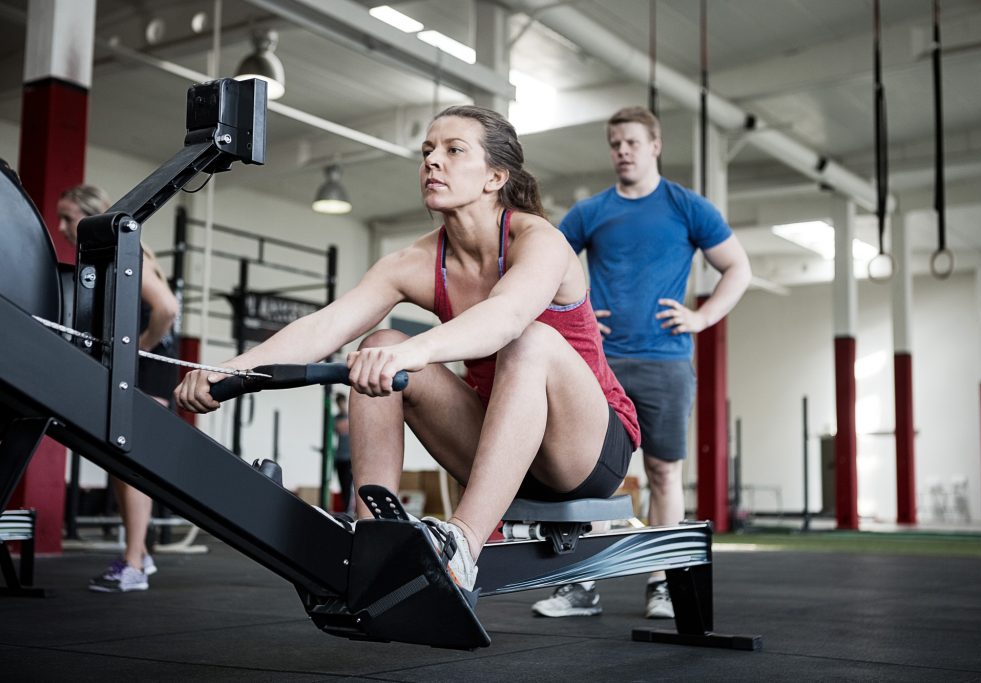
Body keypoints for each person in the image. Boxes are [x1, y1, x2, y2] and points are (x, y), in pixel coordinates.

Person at [175, 105, 640, 593]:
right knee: (378, 343)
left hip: (586, 452)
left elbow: (503, 320)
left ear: (495, 176)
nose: (432, 161)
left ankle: (463, 544)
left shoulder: (539, 241)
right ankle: (373, 536)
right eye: (426, 152)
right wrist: (228, 370)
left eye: (454, 150)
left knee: (528, 342)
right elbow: (326, 325)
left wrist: (413, 353)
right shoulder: (416, 261)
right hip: (500, 452)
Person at [531, 106, 751, 619]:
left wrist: (702, 318)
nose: (622, 151)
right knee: (587, 475)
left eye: (631, 142)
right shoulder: (591, 212)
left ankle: (661, 584)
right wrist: (574, 318)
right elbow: (541, 268)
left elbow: (737, 267)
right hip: (598, 363)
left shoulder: (685, 206)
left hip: (665, 363)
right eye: (615, 143)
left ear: (655, 145)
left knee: (664, 472)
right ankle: (582, 586)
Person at [57, 184, 180, 592]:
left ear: (91, 216)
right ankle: (139, 555)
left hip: (149, 367)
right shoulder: (106, 254)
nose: (61, 227)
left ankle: (134, 564)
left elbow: (167, 308)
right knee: (118, 460)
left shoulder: (126, 252)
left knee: (132, 464)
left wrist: (140, 349)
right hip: (132, 362)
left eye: (68, 217)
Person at [333, 392, 352, 513]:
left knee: (349, 486)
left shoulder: (352, 417)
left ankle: (350, 510)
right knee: (343, 485)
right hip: (340, 457)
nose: (341, 406)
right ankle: (345, 511)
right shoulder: (335, 419)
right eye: (339, 404)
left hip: (351, 458)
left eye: (342, 403)